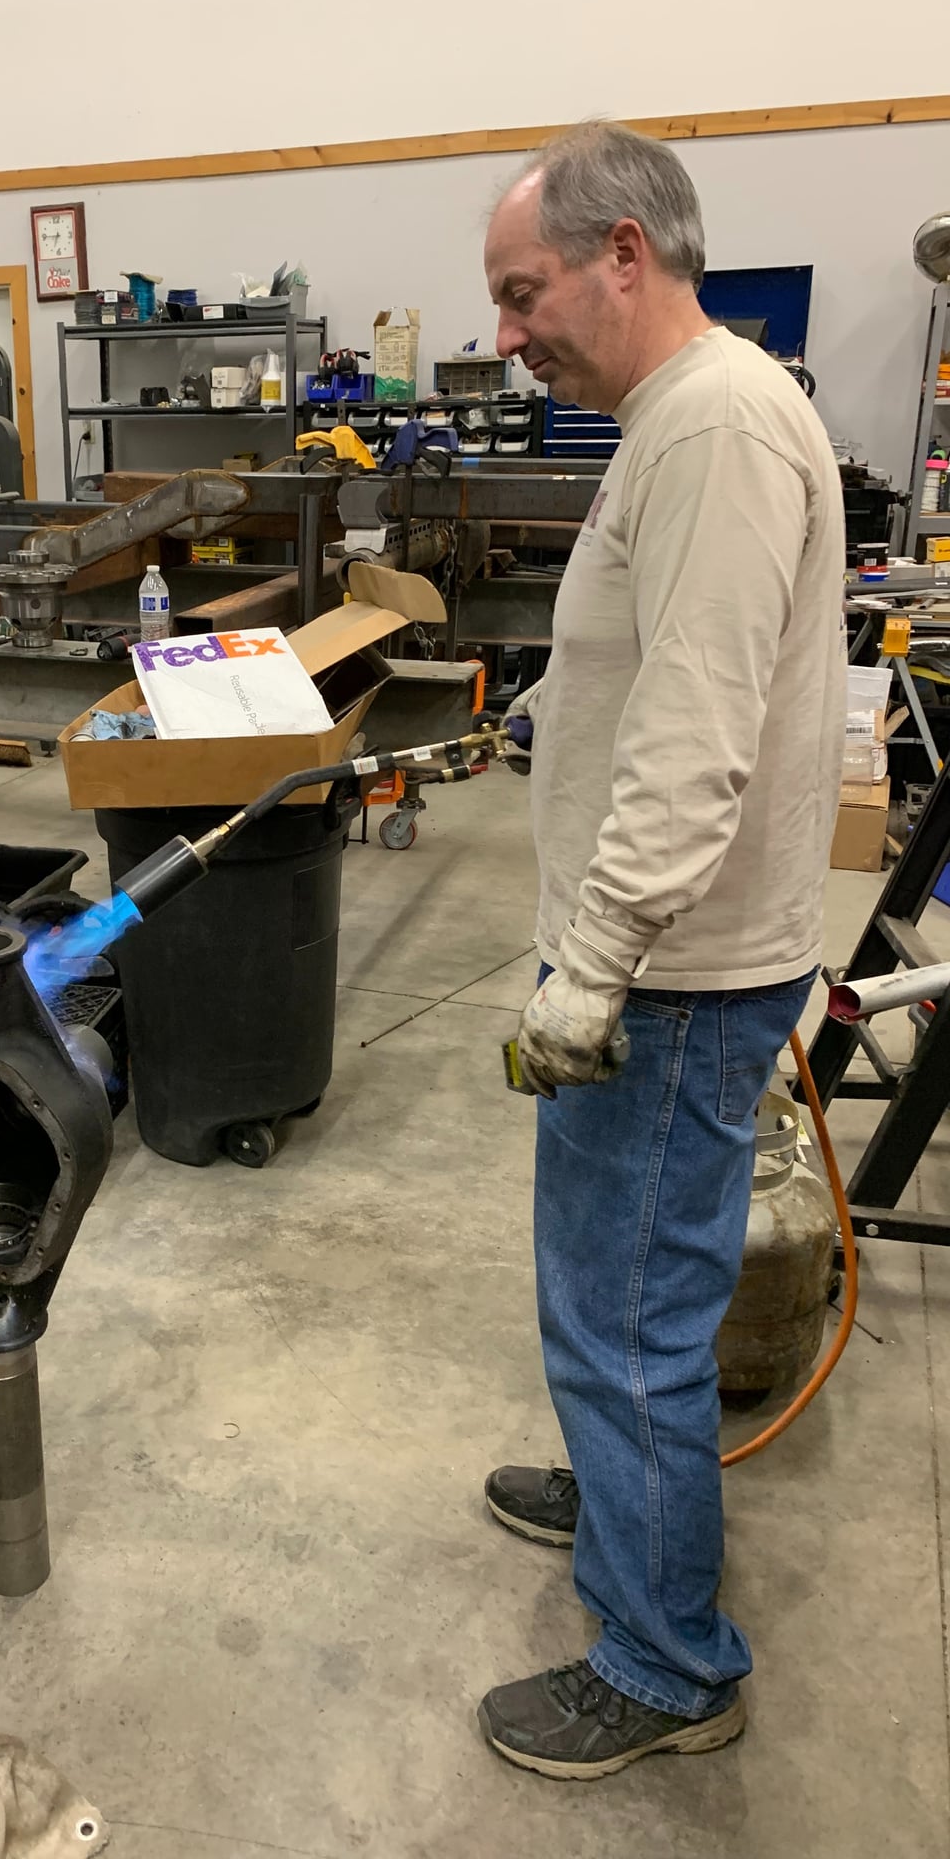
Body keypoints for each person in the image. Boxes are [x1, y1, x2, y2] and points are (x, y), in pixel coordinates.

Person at [476, 122, 846, 1780]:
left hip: (675, 979)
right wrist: (552, 721)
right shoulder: (682, 417)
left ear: (623, 252)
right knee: (625, 1295)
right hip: (677, 962)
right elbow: (664, 661)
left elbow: (699, 731)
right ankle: (629, 1504)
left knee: (625, 1312)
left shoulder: (713, 426)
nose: (507, 333)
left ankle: (665, 1661)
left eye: (523, 292)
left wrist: (598, 959)